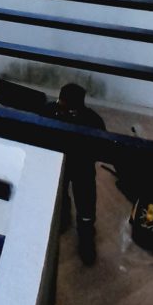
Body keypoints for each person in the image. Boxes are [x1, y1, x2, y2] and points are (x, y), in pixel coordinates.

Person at [49, 83, 106, 265]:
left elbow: (101, 148)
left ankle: (86, 235)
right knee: (61, 195)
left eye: (63, 103)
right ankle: (64, 217)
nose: (60, 104)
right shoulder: (52, 112)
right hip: (61, 164)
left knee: (85, 203)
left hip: (82, 168)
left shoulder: (92, 121)